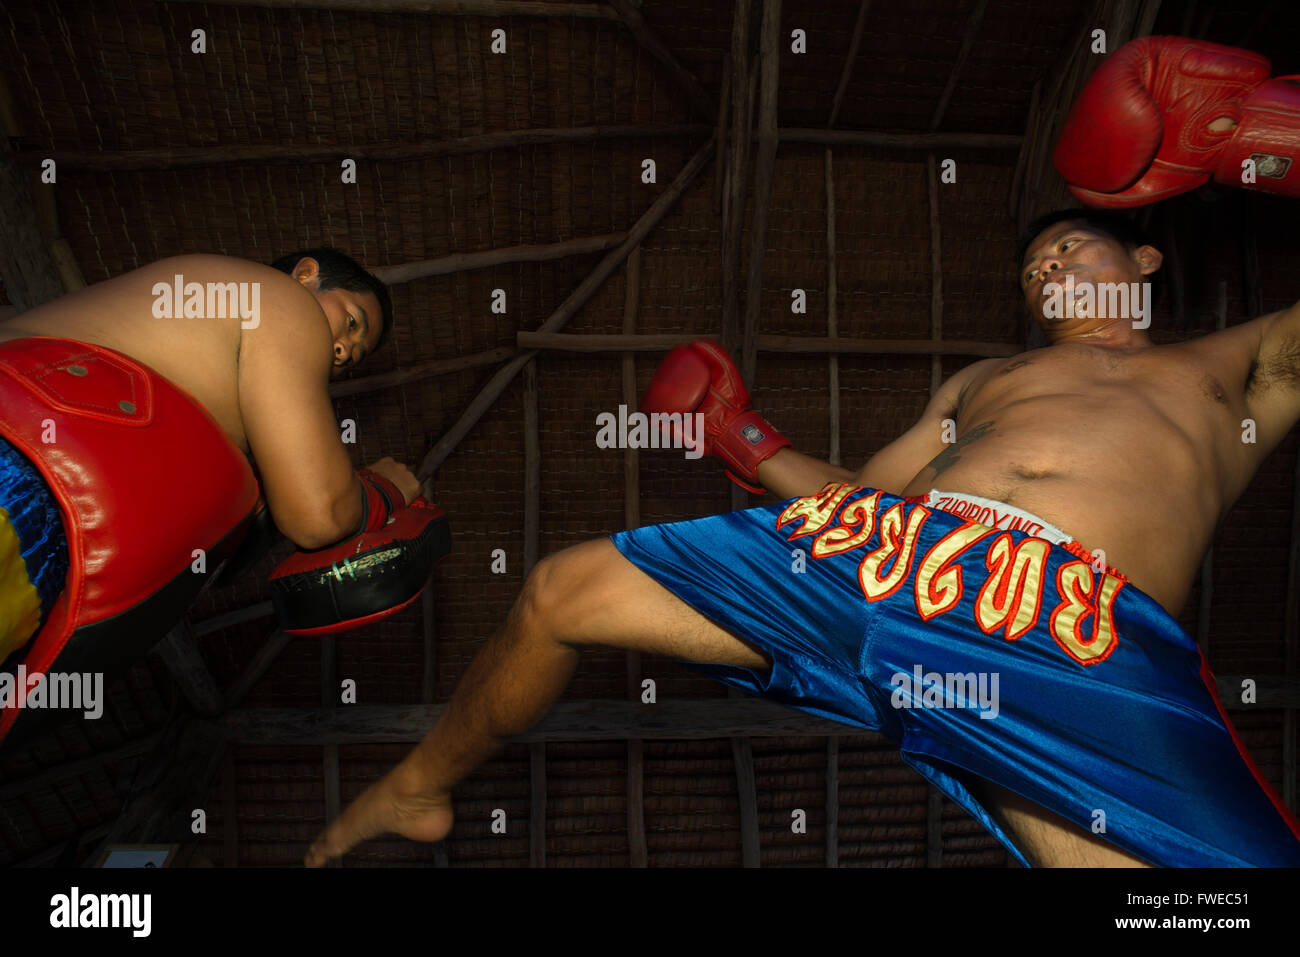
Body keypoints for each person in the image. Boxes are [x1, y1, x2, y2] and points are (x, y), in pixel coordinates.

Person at [305, 208, 1300, 868]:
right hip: (876, 549)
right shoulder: (980, 381)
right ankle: (417, 787)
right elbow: (859, 492)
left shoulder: (1239, 363)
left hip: (1069, 632)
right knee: (562, 590)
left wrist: (1264, 130)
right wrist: (744, 436)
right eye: (1035, 262)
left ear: (1145, 260)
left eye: (1072, 243)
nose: (1049, 264)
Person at [0, 249, 421, 704]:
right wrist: (383, 492)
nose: (341, 349)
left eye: (351, 357)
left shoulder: (210, 368)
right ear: (306, 274)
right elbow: (320, 515)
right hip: (20, 470)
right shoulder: (279, 299)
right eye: (353, 323)